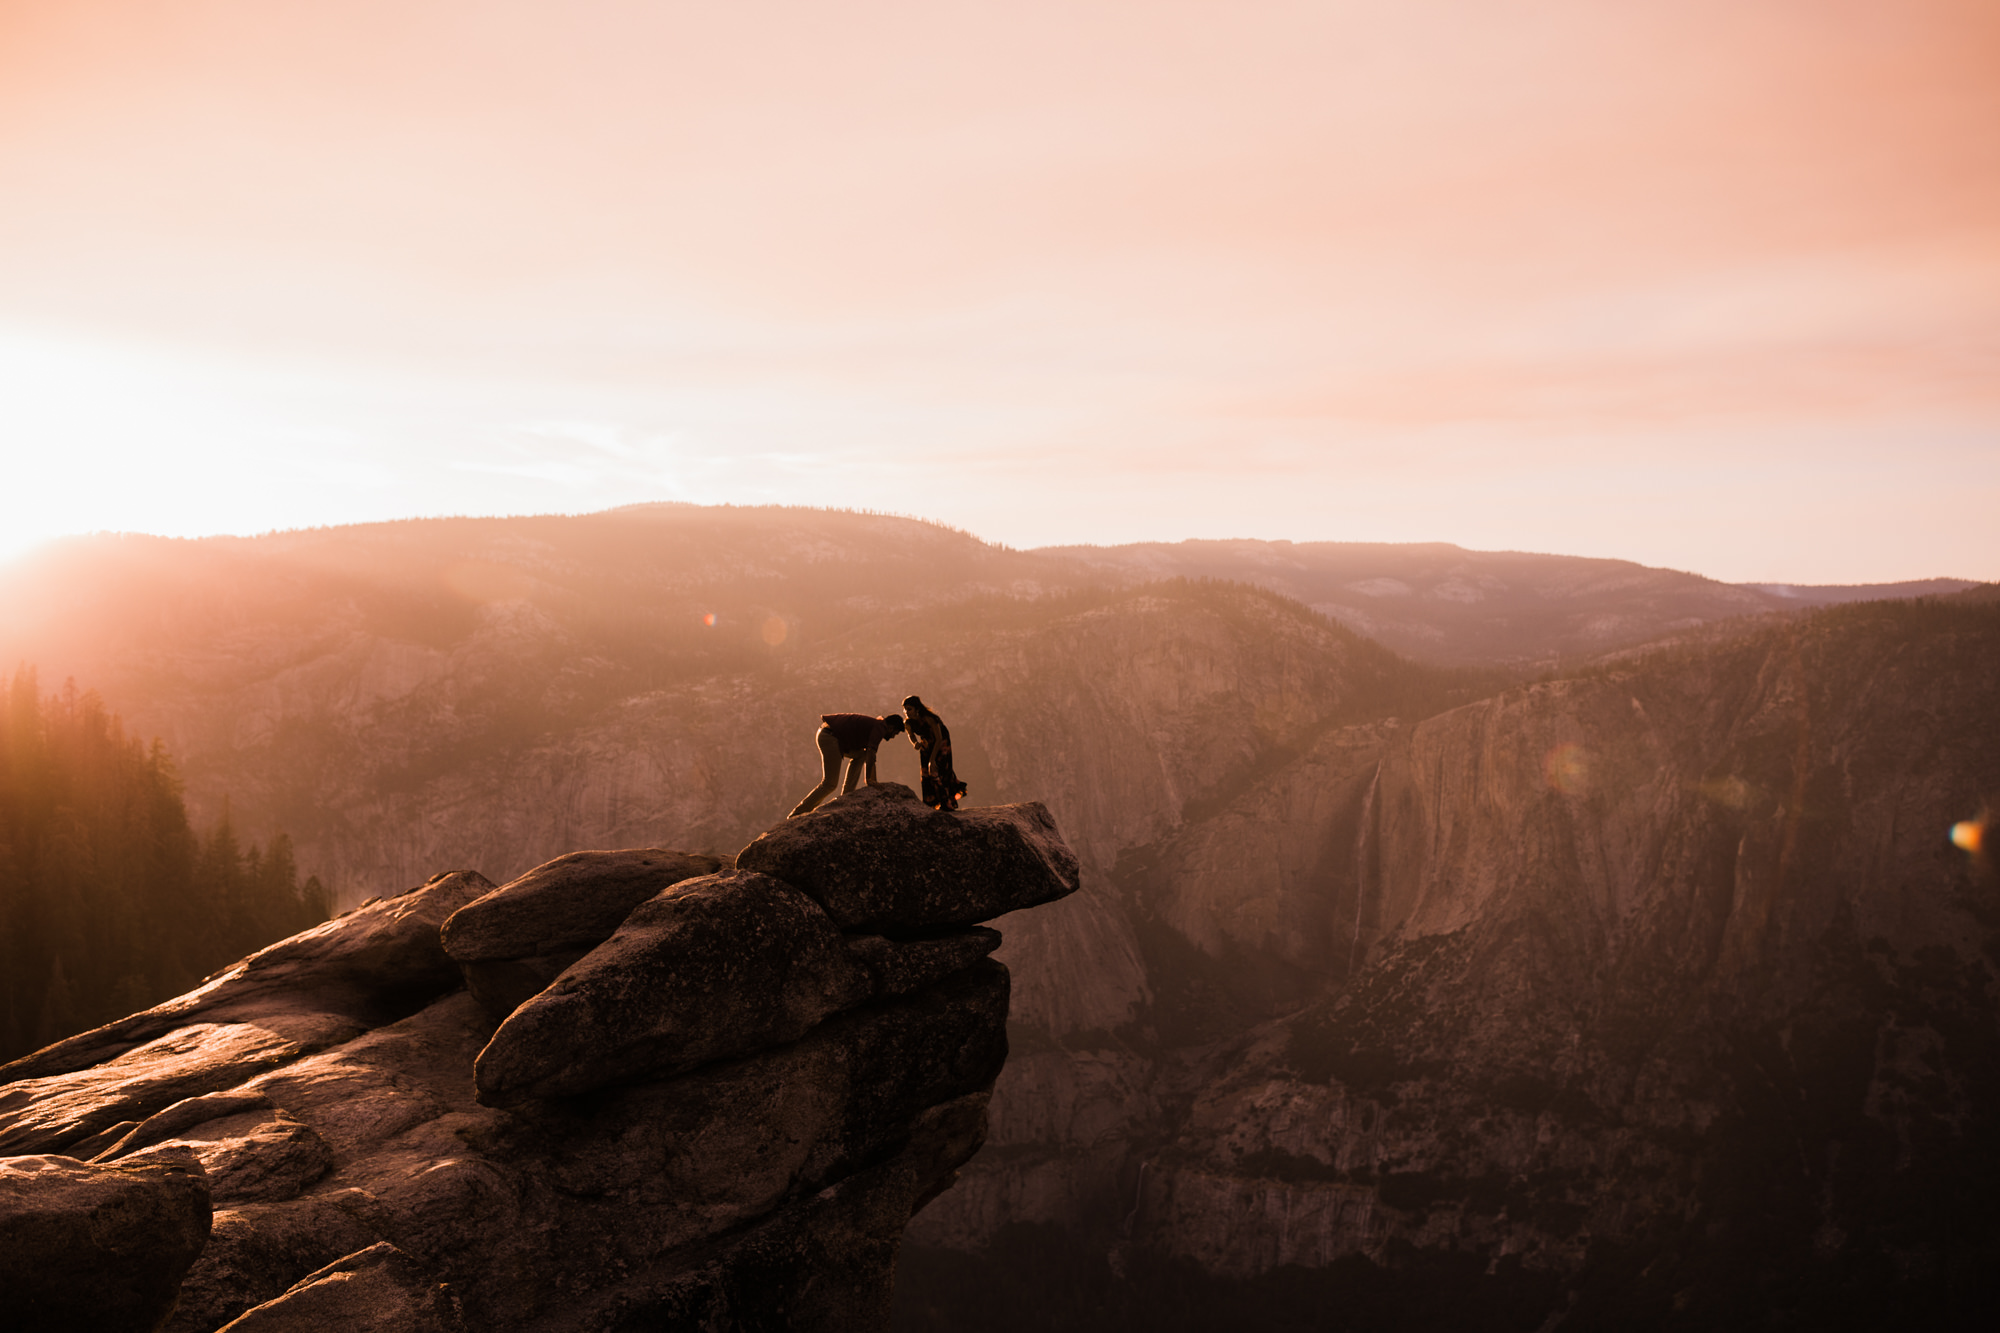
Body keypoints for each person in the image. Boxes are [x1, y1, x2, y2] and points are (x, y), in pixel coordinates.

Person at [788, 711, 906, 818]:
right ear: (891, 727)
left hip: (830, 735)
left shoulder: (877, 724)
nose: (893, 737)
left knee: (861, 755)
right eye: (895, 733)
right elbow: (871, 753)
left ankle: (847, 794)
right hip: (831, 737)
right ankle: (798, 813)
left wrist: (872, 779)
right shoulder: (880, 728)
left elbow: (870, 756)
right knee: (830, 783)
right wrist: (870, 780)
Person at [902, 695, 966, 811]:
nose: (906, 712)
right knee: (926, 772)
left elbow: (939, 738)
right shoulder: (908, 723)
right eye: (905, 709)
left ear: (917, 709)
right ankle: (932, 802)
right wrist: (916, 743)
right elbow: (910, 735)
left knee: (939, 770)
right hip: (926, 744)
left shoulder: (929, 718)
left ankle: (946, 803)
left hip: (941, 743)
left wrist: (932, 760)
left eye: (909, 709)